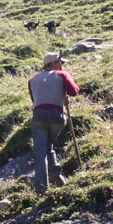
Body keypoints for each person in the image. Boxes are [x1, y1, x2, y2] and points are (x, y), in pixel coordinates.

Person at [28, 51, 80, 193]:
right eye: (60, 63)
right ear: (55, 63)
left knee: (41, 151)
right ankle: (57, 177)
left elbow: (36, 100)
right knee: (47, 147)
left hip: (39, 117)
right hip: (57, 116)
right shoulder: (62, 75)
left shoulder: (32, 80)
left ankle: (42, 189)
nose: (62, 66)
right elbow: (74, 91)